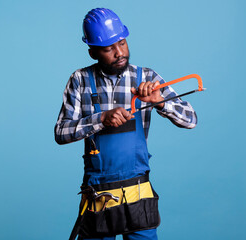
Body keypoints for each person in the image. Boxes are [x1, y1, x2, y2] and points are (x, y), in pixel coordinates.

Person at [54, 8, 197, 240]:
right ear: (93, 53)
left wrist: (160, 102)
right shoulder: (80, 80)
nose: (119, 53)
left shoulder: (147, 78)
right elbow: (61, 132)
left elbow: (191, 120)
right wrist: (100, 119)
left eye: (121, 43)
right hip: (98, 198)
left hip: (138, 196)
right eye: (109, 49)